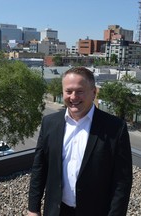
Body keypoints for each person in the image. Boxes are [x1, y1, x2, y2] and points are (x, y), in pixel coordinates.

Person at [28, 66, 133, 216]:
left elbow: (122, 181)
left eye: (80, 91)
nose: (73, 97)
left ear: (94, 93)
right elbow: (39, 168)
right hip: (56, 211)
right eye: (68, 91)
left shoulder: (115, 128)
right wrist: (33, 208)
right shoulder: (49, 123)